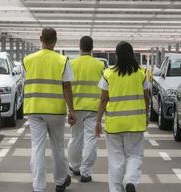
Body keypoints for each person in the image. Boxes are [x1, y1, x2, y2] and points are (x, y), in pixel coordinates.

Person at [23, 27, 76, 192]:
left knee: (37, 147)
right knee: (57, 146)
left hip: (34, 109)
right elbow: (67, 86)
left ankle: (39, 186)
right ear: (56, 41)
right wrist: (71, 110)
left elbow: (27, 81)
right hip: (55, 110)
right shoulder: (62, 60)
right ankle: (60, 181)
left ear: (40, 38)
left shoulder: (28, 60)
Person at [95, 41, 149, 192]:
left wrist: (98, 120)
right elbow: (146, 97)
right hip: (135, 123)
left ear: (116, 56)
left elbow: (104, 99)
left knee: (115, 160)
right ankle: (131, 180)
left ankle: (116, 190)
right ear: (132, 55)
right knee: (135, 155)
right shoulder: (141, 73)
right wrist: (146, 115)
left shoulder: (108, 74)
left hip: (114, 124)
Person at [67, 36, 105, 183]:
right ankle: (86, 172)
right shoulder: (100, 65)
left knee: (76, 138)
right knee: (91, 139)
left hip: (76, 106)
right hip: (94, 108)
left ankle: (75, 167)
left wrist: (69, 108)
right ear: (92, 48)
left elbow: (66, 86)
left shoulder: (71, 63)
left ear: (80, 47)